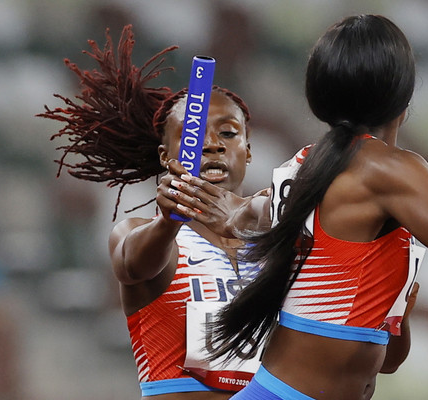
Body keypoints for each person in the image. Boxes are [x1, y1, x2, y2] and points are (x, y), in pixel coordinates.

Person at [166, 14, 428, 400]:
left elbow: (388, 359)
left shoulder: (302, 168)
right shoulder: (388, 170)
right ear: (403, 99)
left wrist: (398, 307)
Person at [37, 25, 265, 399]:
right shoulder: (139, 233)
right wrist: (168, 223)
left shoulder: (277, 243)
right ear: (165, 156)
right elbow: (133, 266)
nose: (212, 146)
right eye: (197, 135)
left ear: (249, 150)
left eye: (228, 134)